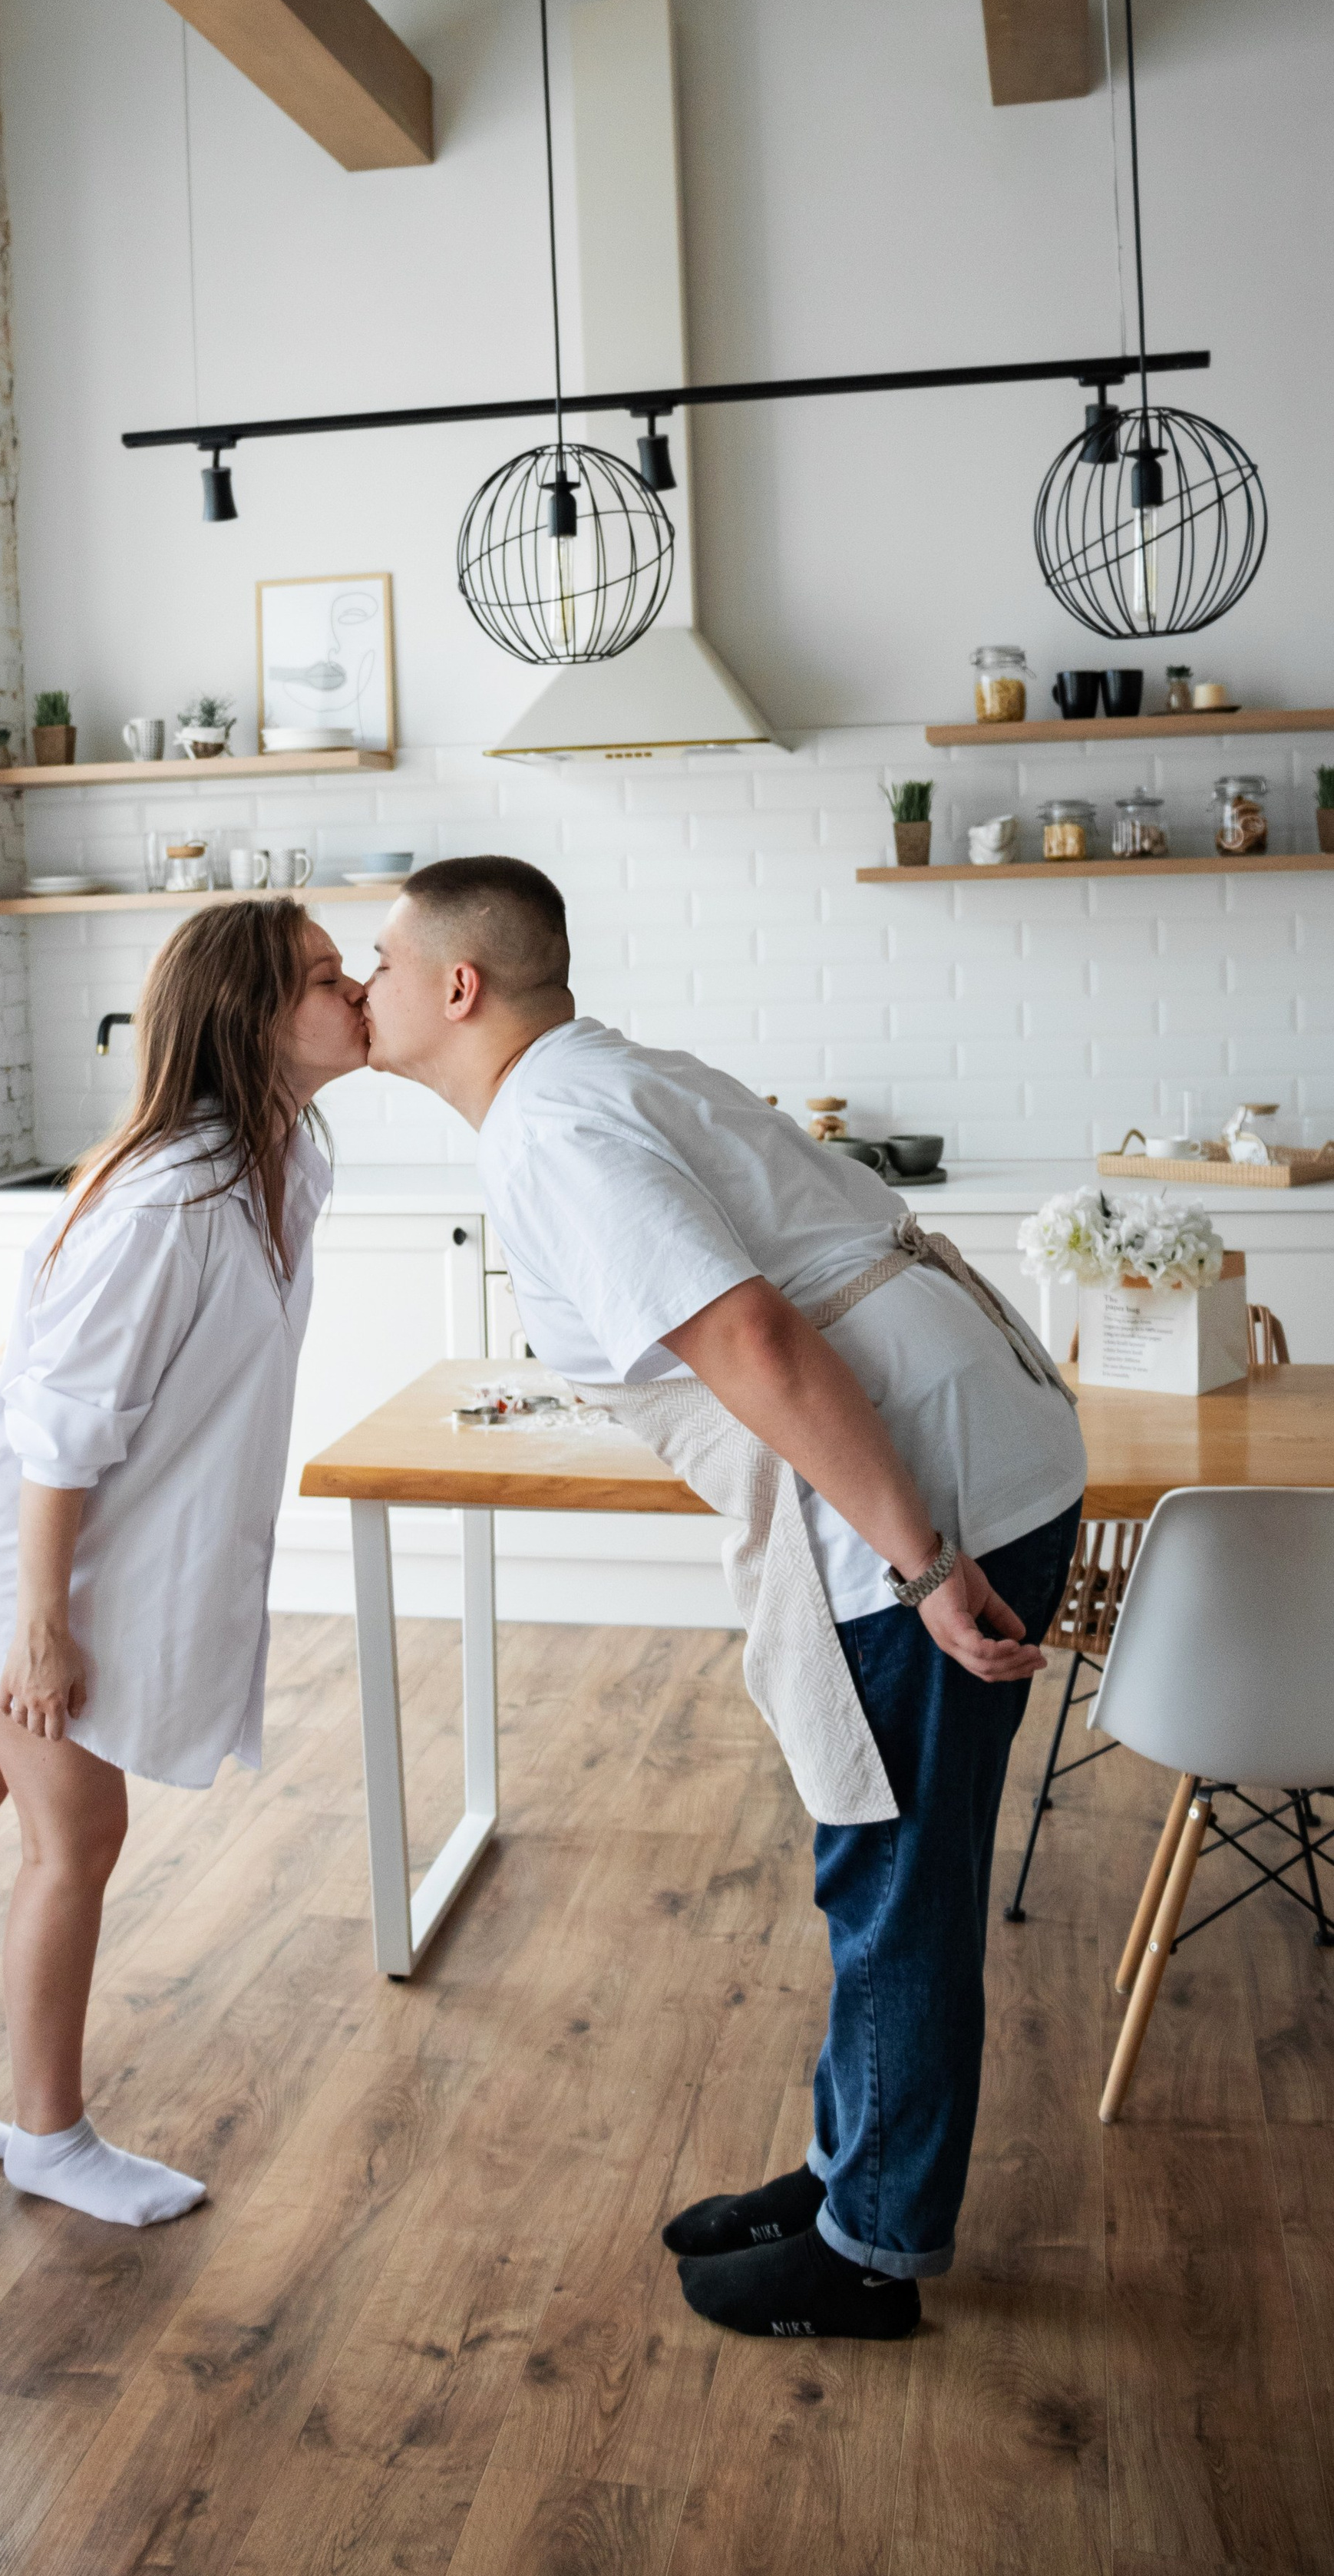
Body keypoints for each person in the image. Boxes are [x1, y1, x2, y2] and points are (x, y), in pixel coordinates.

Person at [362, 854, 1085, 2339]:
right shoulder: (598, 1073)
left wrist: (925, 1563)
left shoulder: (550, 1125)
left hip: (929, 1490)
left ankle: (874, 2248)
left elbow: (751, 1337)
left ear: (457, 986)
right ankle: (845, 2172)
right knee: (890, 1863)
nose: (358, 986)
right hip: (973, 1440)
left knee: (894, 1880)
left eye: (377, 961)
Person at [0, 900, 369, 2225]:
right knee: (75, 1832)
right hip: (10, 1537)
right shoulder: (167, 1200)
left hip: (28, 1531)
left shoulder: (284, 1158)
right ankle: (50, 2138)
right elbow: (61, 1426)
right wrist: (38, 1623)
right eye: (321, 977)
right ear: (254, 1020)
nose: (353, 985)